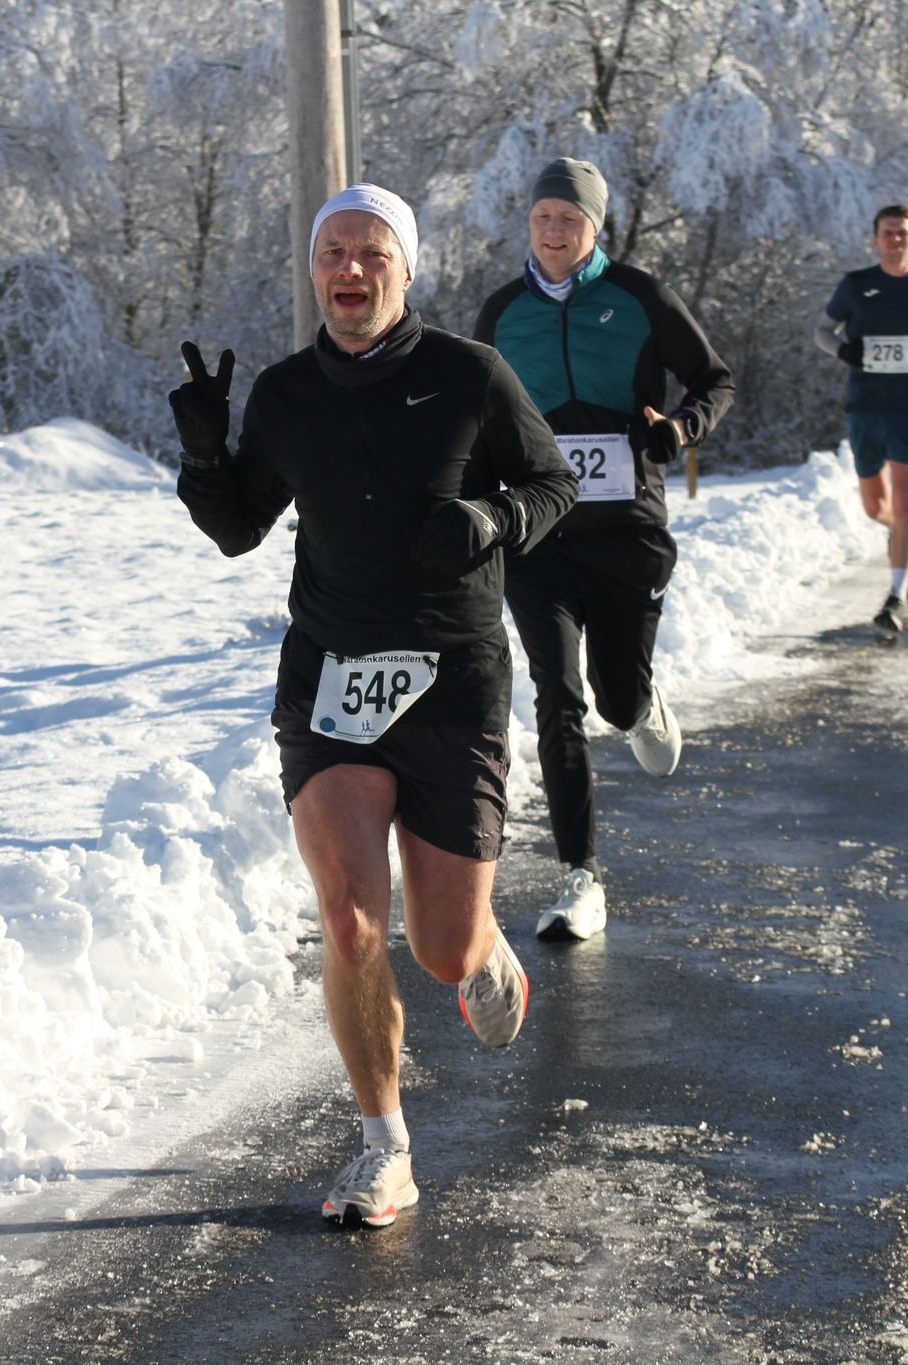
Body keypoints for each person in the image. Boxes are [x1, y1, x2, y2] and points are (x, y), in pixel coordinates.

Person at [169, 185, 577, 1229]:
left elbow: (551, 485)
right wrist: (205, 455)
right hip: (329, 683)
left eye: (370, 253)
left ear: (406, 268)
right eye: (332, 253)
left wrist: (490, 520)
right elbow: (236, 528)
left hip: (452, 683)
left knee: (440, 948)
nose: (348, 270)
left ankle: (479, 949)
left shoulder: (470, 376)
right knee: (350, 917)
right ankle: (384, 1149)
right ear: (315, 270)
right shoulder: (287, 392)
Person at [473, 158, 734, 941]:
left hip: (627, 533)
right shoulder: (501, 313)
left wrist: (681, 428)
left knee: (613, 699)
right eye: (543, 216)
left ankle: (639, 702)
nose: (554, 231)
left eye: (570, 218)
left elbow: (715, 380)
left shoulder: (641, 297)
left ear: (595, 226)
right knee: (556, 693)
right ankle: (580, 875)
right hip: (539, 537)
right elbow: (473, 419)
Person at [813, 204, 908, 639]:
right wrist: (843, 350)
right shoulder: (856, 285)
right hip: (865, 406)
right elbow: (822, 331)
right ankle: (899, 534)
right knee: (876, 507)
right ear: (876, 239)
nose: (896, 239)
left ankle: (895, 596)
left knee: (906, 501)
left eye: (903, 232)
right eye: (889, 232)